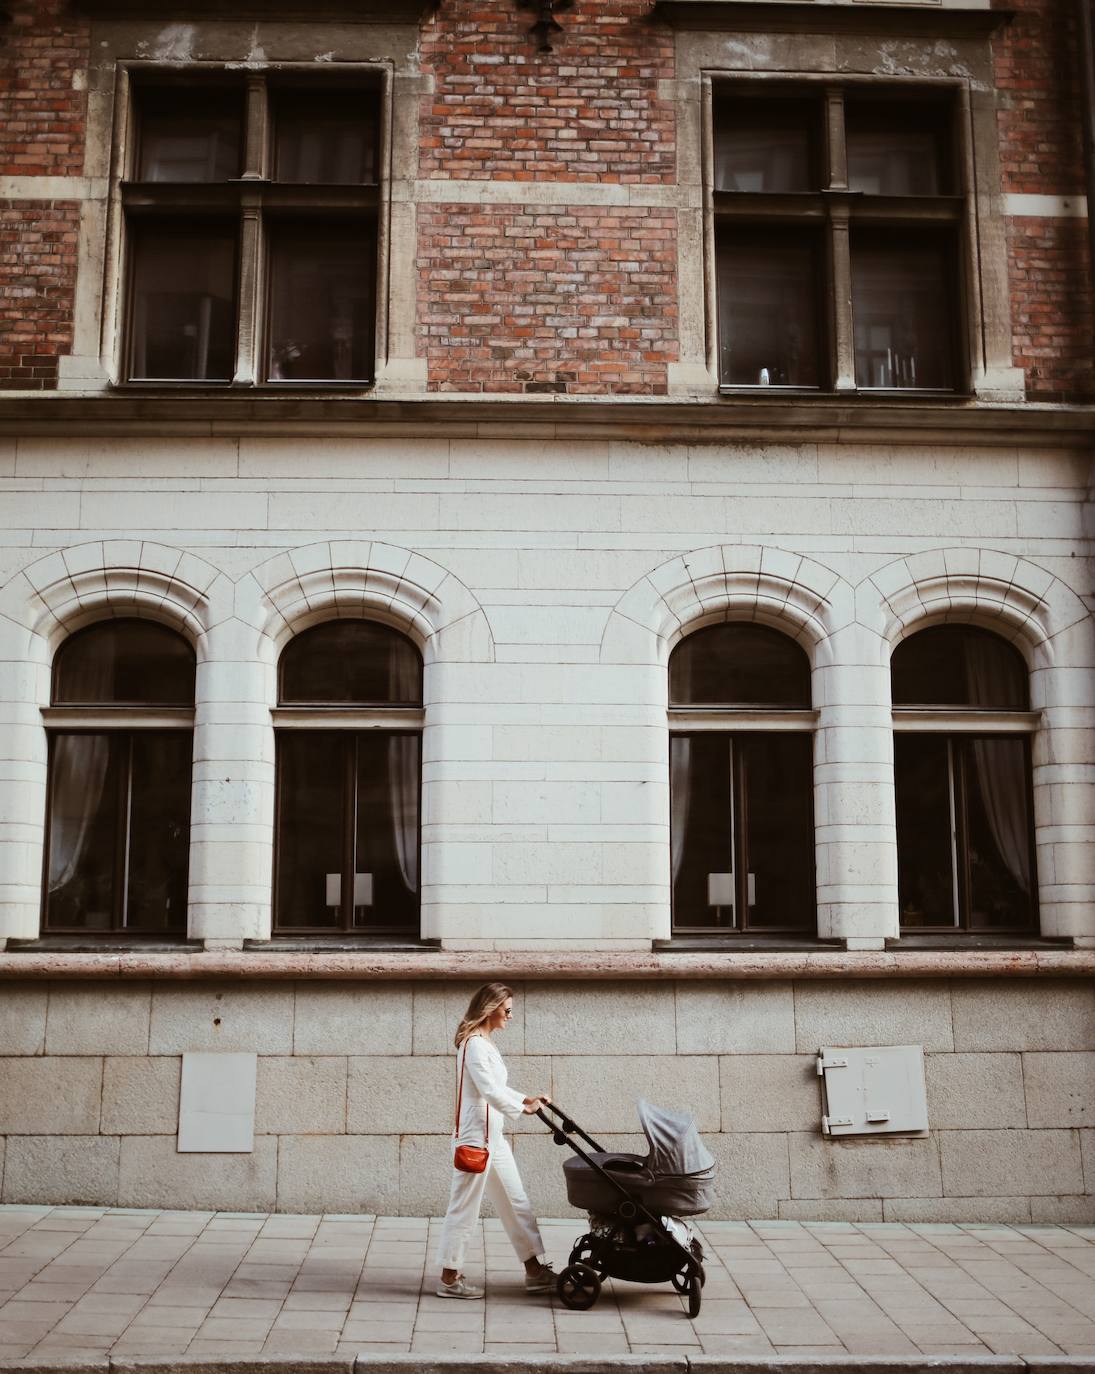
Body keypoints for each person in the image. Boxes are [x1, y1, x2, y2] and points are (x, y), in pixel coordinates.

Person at [435, 982, 555, 1299]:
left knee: (516, 1203)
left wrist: (525, 1098)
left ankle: (534, 1271)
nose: (510, 1017)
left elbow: (497, 1089)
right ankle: (449, 1278)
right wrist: (523, 1108)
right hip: (475, 1140)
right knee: (464, 1210)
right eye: (508, 1010)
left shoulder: (486, 1042)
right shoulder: (473, 1044)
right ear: (491, 1008)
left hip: (494, 1139)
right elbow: (488, 1090)